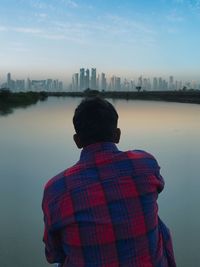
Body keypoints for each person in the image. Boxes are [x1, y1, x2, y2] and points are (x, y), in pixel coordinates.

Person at [42, 97, 176, 267]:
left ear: (77, 141)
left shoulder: (56, 189)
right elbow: (158, 187)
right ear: (117, 135)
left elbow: (53, 254)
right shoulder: (145, 164)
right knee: (157, 222)